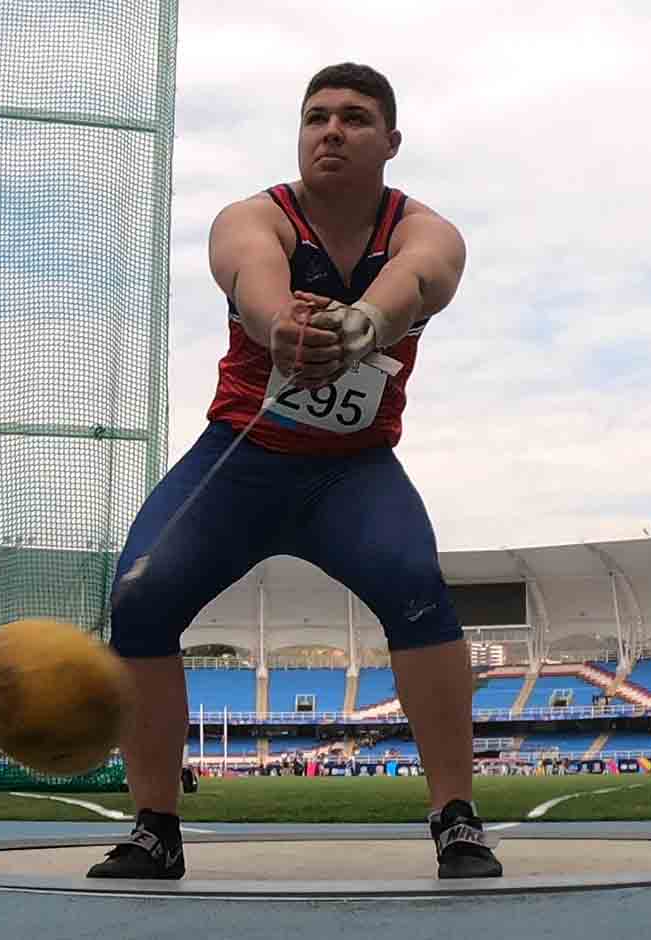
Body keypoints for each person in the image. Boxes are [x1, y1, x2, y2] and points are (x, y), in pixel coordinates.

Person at [88, 62, 501, 881]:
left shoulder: (427, 230)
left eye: (353, 117)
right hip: (239, 462)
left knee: (416, 584)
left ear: (390, 140)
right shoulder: (253, 216)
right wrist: (280, 326)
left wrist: (361, 326)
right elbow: (251, 279)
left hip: (351, 474)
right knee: (139, 596)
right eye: (316, 117)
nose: (331, 131)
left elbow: (417, 279)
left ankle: (455, 815)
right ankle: (154, 826)